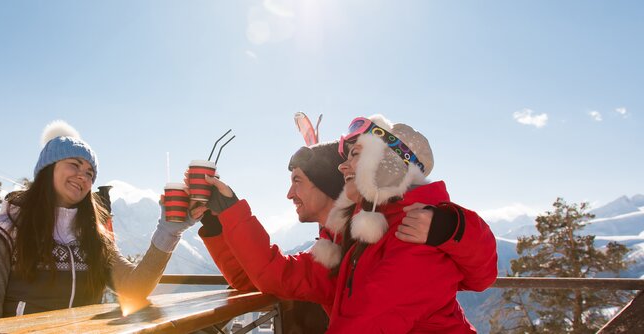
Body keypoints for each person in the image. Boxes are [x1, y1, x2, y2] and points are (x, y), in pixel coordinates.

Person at [199, 115, 497, 332]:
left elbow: (365, 323)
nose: (343, 166)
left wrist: (451, 227)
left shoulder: (412, 232)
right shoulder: (357, 240)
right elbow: (273, 274)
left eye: (355, 154)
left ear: (386, 163)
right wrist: (225, 214)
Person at [0, 121, 197, 322]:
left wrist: (169, 231)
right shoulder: (6, 231)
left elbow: (134, 287)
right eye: (74, 165)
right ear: (48, 169)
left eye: (90, 173)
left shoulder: (93, 236)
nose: (83, 176)